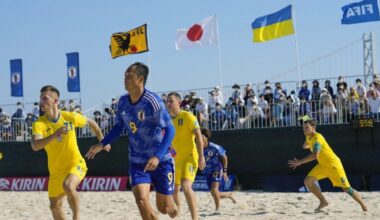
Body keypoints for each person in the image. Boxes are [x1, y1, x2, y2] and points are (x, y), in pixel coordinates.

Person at [85, 62, 178, 220]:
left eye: (129, 76)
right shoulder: (122, 102)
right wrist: (102, 143)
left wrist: (157, 156)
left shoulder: (152, 101)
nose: (125, 79)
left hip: (161, 160)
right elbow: (118, 127)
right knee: (141, 199)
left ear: (140, 79)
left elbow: (170, 130)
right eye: (124, 76)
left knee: (164, 208)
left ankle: (173, 208)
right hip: (137, 160)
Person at [31, 85, 110, 220]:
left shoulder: (70, 117)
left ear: (55, 101)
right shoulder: (39, 124)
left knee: (68, 185)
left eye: (45, 98)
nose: (41, 102)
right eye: (40, 99)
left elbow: (92, 123)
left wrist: (102, 141)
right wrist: (54, 135)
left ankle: (77, 217)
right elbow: (35, 146)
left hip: (75, 163)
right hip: (56, 171)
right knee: (54, 206)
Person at [288, 118, 367, 212]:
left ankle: (364, 206)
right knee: (308, 181)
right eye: (303, 128)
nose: (304, 130)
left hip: (333, 165)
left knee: (346, 188)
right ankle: (323, 202)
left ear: (313, 128)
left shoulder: (318, 138)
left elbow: (315, 155)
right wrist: (307, 145)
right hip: (323, 165)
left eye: (306, 127)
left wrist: (300, 162)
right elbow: (305, 145)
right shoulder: (308, 137)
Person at [166, 92, 206, 220]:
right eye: (167, 101)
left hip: (190, 156)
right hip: (175, 160)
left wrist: (201, 156)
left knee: (186, 185)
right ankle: (178, 214)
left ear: (179, 102)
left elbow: (199, 136)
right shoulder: (167, 121)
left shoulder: (188, 116)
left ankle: (195, 217)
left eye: (171, 101)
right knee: (174, 191)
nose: (168, 104)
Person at [200, 128, 236, 213]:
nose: (199, 138)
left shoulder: (214, 146)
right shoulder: (197, 148)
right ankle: (228, 195)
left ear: (206, 137)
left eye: (201, 136)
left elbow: (224, 157)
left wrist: (225, 171)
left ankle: (217, 209)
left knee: (214, 189)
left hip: (216, 169)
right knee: (214, 193)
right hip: (207, 172)